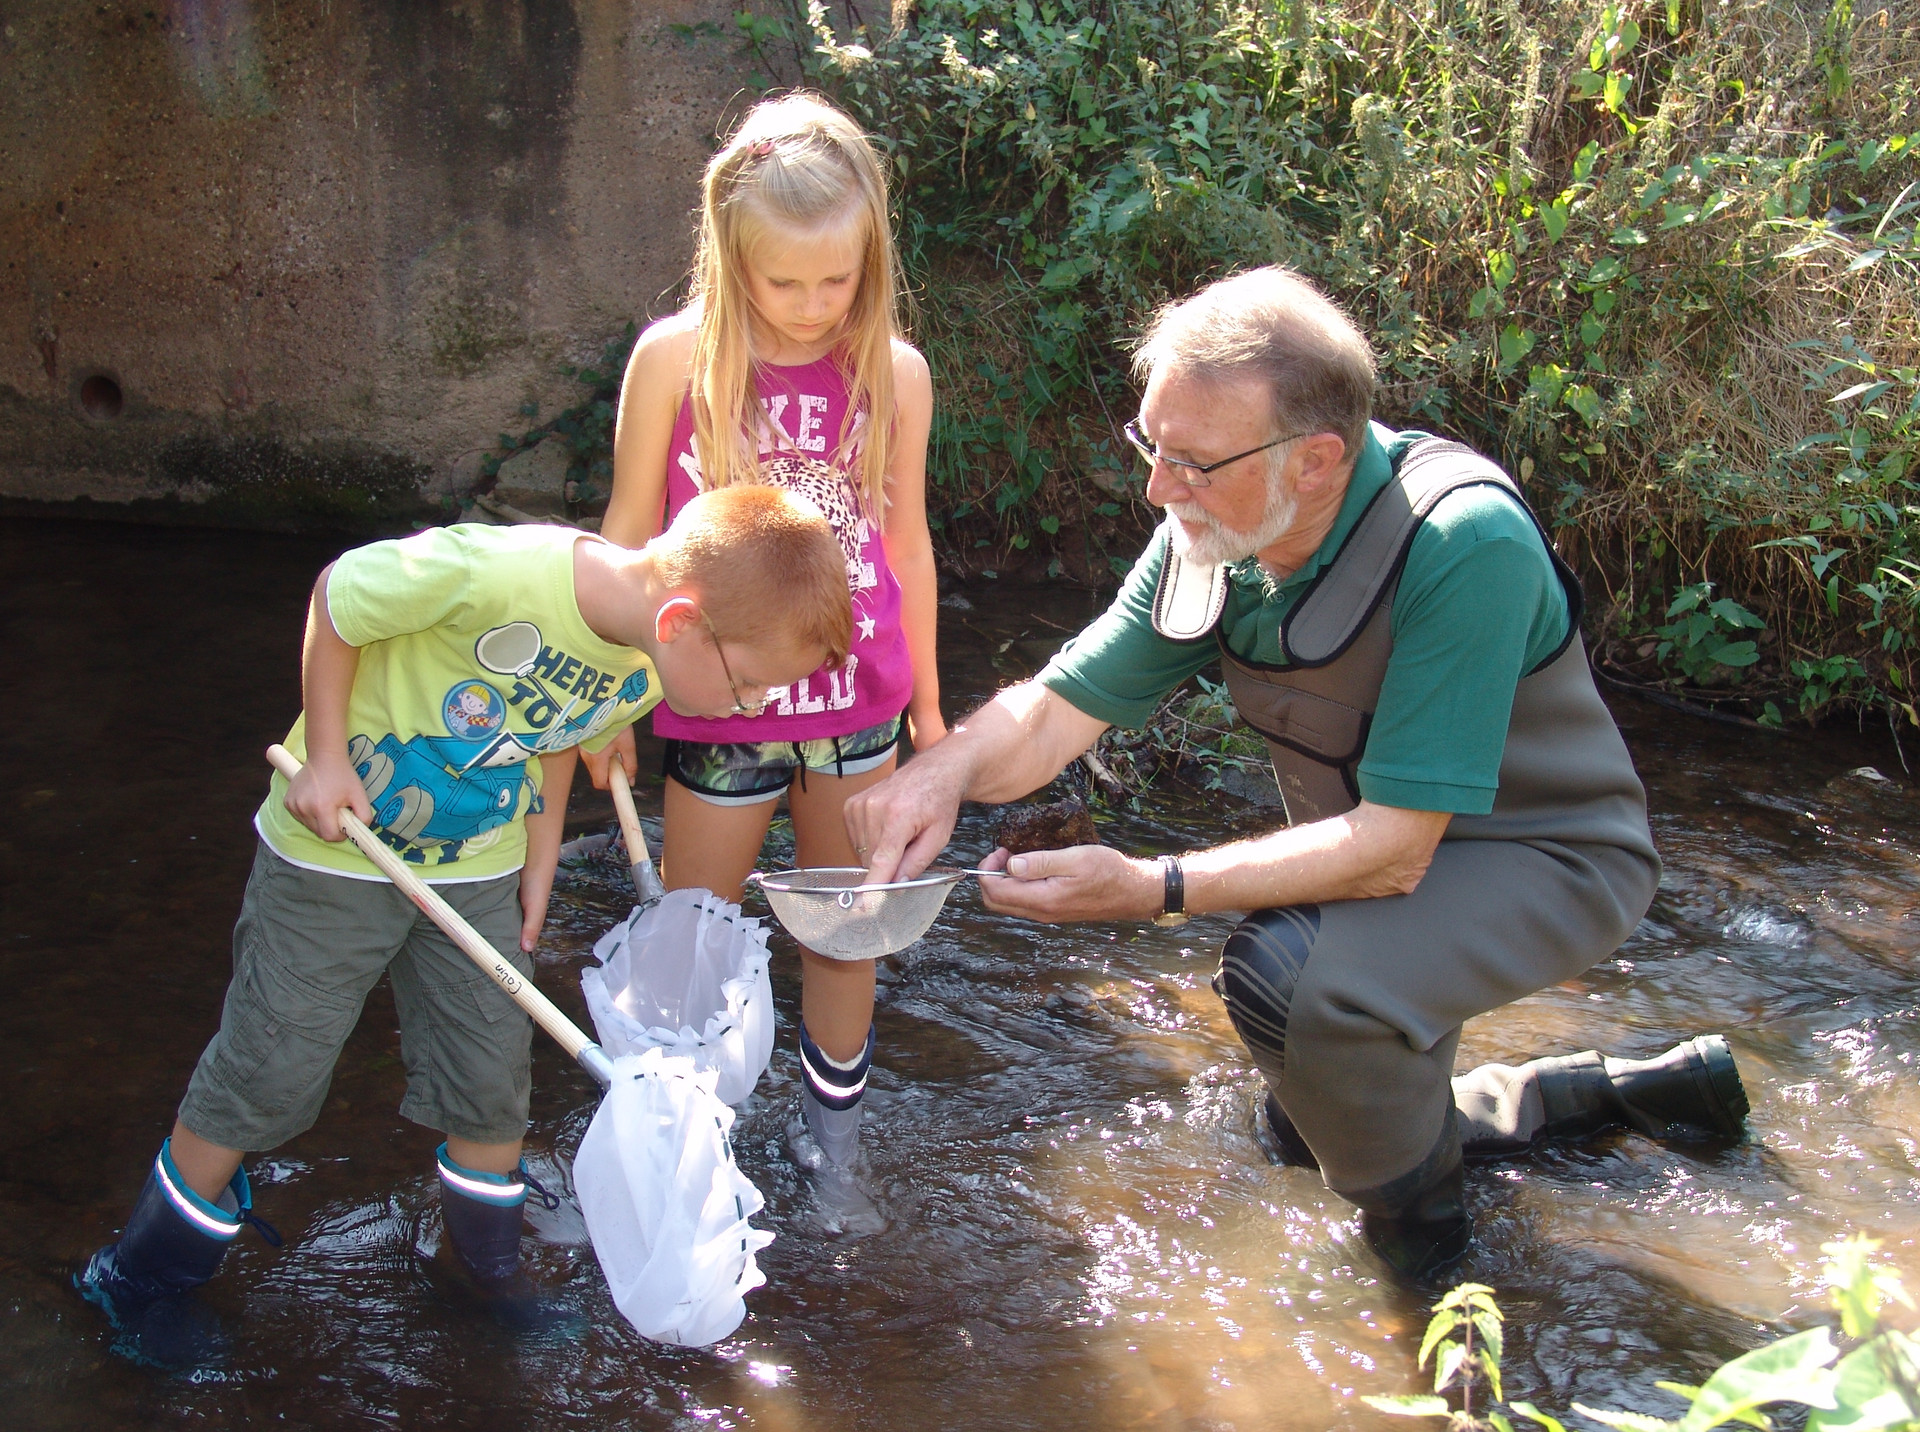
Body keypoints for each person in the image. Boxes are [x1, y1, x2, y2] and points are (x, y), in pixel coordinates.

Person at [846, 265, 1750, 1279]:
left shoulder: (1462, 543)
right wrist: (945, 770)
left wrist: (1151, 890)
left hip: (1542, 858)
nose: (1158, 488)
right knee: (1300, 1126)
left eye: (1192, 461)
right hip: (1386, 850)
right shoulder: (1214, 538)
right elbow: (1058, 709)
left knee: (1286, 983)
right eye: (1152, 446)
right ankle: (1620, 1094)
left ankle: (1431, 1264)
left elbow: (1397, 853)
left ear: (1316, 460)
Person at [80, 486, 851, 1362]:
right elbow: (339, 595)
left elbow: (558, 732)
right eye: (748, 683)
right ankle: (140, 1279)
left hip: (475, 869)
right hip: (336, 855)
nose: (750, 709)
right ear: (681, 619)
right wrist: (327, 756)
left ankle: (479, 1274)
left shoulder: (643, 661)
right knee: (273, 1065)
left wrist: (540, 851)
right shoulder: (492, 574)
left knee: (490, 1078)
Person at [595, 92, 942, 1195]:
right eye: (779, 281)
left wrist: (930, 718)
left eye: (834, 280)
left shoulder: (895, 371)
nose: (808, 306)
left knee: (847, 926)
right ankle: (682, 1140)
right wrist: (601, 700)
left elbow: (907, 547)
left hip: (857, 711)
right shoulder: (673, 361)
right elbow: (624, 542)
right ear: (727, 253)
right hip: (719, 708)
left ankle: (832, 1138)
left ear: (871, 258)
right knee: (694, 927)